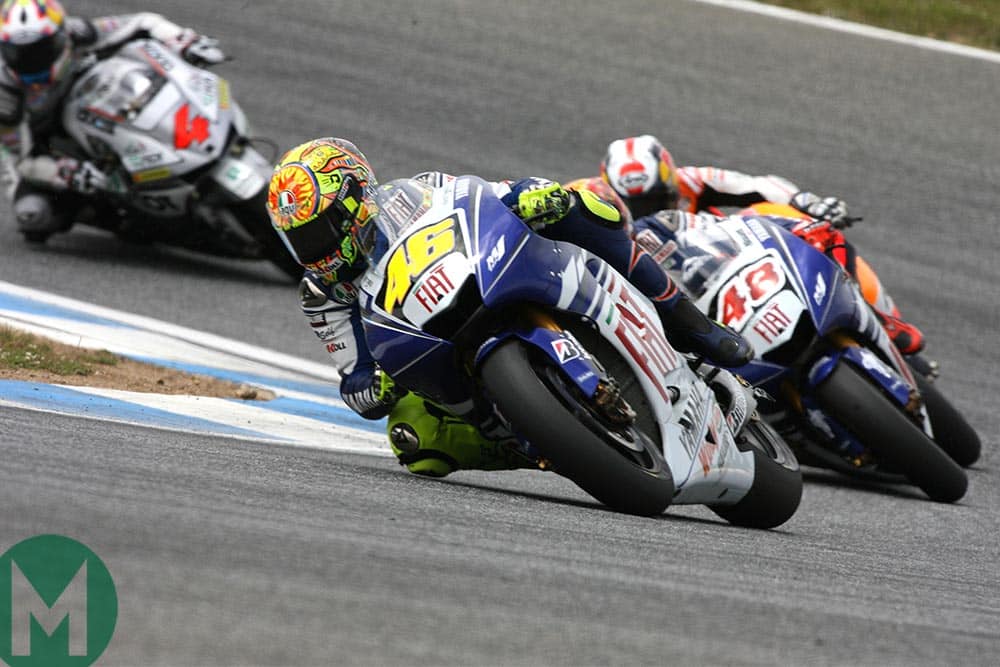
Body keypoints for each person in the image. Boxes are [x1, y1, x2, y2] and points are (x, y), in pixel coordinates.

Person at [265, 137, 753, 478]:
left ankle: (689, 323)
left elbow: (485, 197)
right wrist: (373, 387)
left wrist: (529, 194)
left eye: (318, 232)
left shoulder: (416, 191)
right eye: (297, 240)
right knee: (413, 442)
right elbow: (353, 379)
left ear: (357, 203)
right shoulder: (322, 294)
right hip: (427, 353)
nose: (310, 250)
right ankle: (536, 443)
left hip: (484, 274)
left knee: (581, 206)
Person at [599, 134, 926, 356]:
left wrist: (806, 202)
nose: (652, 213)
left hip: (741, 261)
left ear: (669, 177)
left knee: (784, 218)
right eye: (638, 206)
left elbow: (758, 186)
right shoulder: (609, 217)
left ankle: (881, 317)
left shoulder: (692, 179)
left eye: (657, 199)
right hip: (688, 299)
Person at [0, 0, 225, 239]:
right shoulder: (5, 92)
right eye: (18, 53)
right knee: (34, 213)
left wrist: (182, 39)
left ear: (60, 36)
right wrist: (62, 172)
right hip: (50, 145)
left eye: (40, 49)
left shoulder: (78, 32)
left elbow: (143, 22)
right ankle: (121, 218)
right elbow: (17, 158)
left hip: (100, 100)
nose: (30, 60)